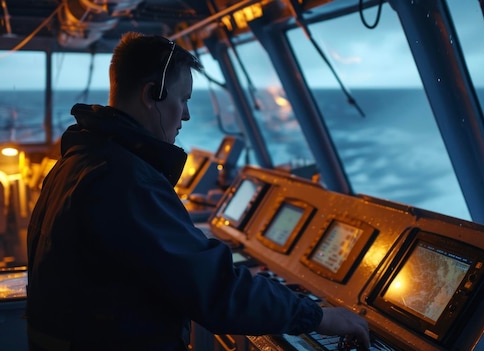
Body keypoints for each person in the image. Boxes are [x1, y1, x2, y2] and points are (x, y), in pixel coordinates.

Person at [26, 32, 370, 351]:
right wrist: (320, 317)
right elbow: (214, 289)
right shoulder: (124, 179)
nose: (187, 115)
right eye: (183, 99)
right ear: (151, 95)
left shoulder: (80, 159)